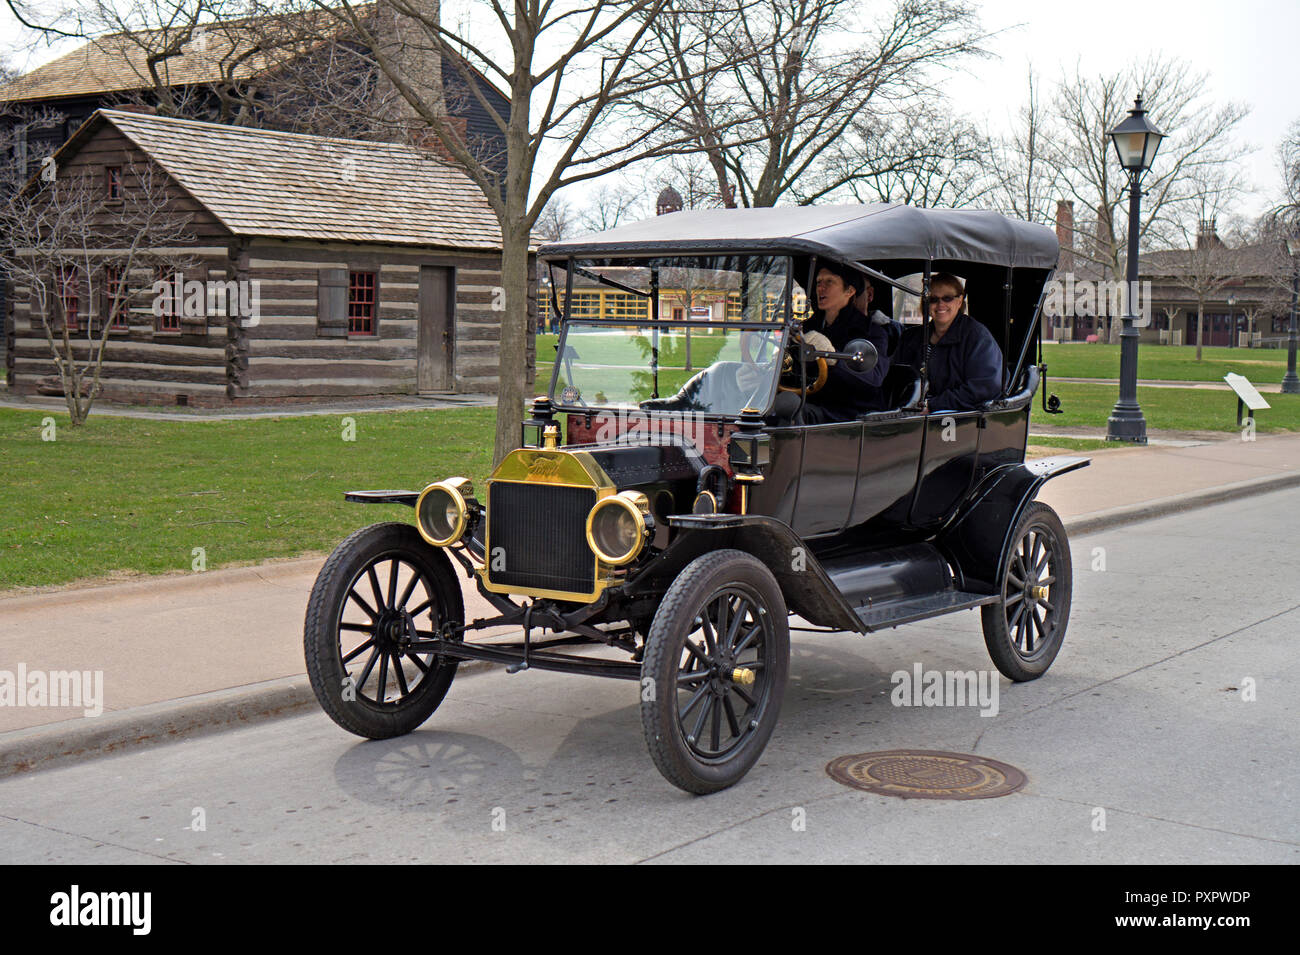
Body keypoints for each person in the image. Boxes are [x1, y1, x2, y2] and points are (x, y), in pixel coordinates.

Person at [769, 262, 891, 424]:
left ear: (850, 291)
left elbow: (873, 380)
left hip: (850, 414)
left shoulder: (871, 332)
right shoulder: (807, 327)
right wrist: (770, 373)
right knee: (767, 405)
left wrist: (834, 358)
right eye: (819, 282)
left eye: (829, 282)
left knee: (788, 404)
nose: (821, 288)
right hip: (813, 402)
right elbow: (796, 371)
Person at [896, 273, 1003, 412]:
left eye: (947, 298)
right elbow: (896, 377)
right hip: (910, 412)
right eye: (933, 299)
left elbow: (985, 387)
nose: (940, 304)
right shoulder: (911, 337)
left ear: (959, 301)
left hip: (957, 416)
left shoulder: (977, 337)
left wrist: (933, 405)